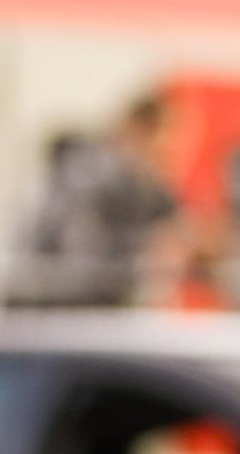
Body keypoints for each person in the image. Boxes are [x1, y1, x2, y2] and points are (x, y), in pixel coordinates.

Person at [25, 91, 186, 304]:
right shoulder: (84, 176)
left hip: (105, 312)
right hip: (53, 310)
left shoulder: (148, 189)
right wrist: (148, 250)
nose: (174, 152)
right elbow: (82, 257)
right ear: (137, 132)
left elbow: (174, 224)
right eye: (164, 144)